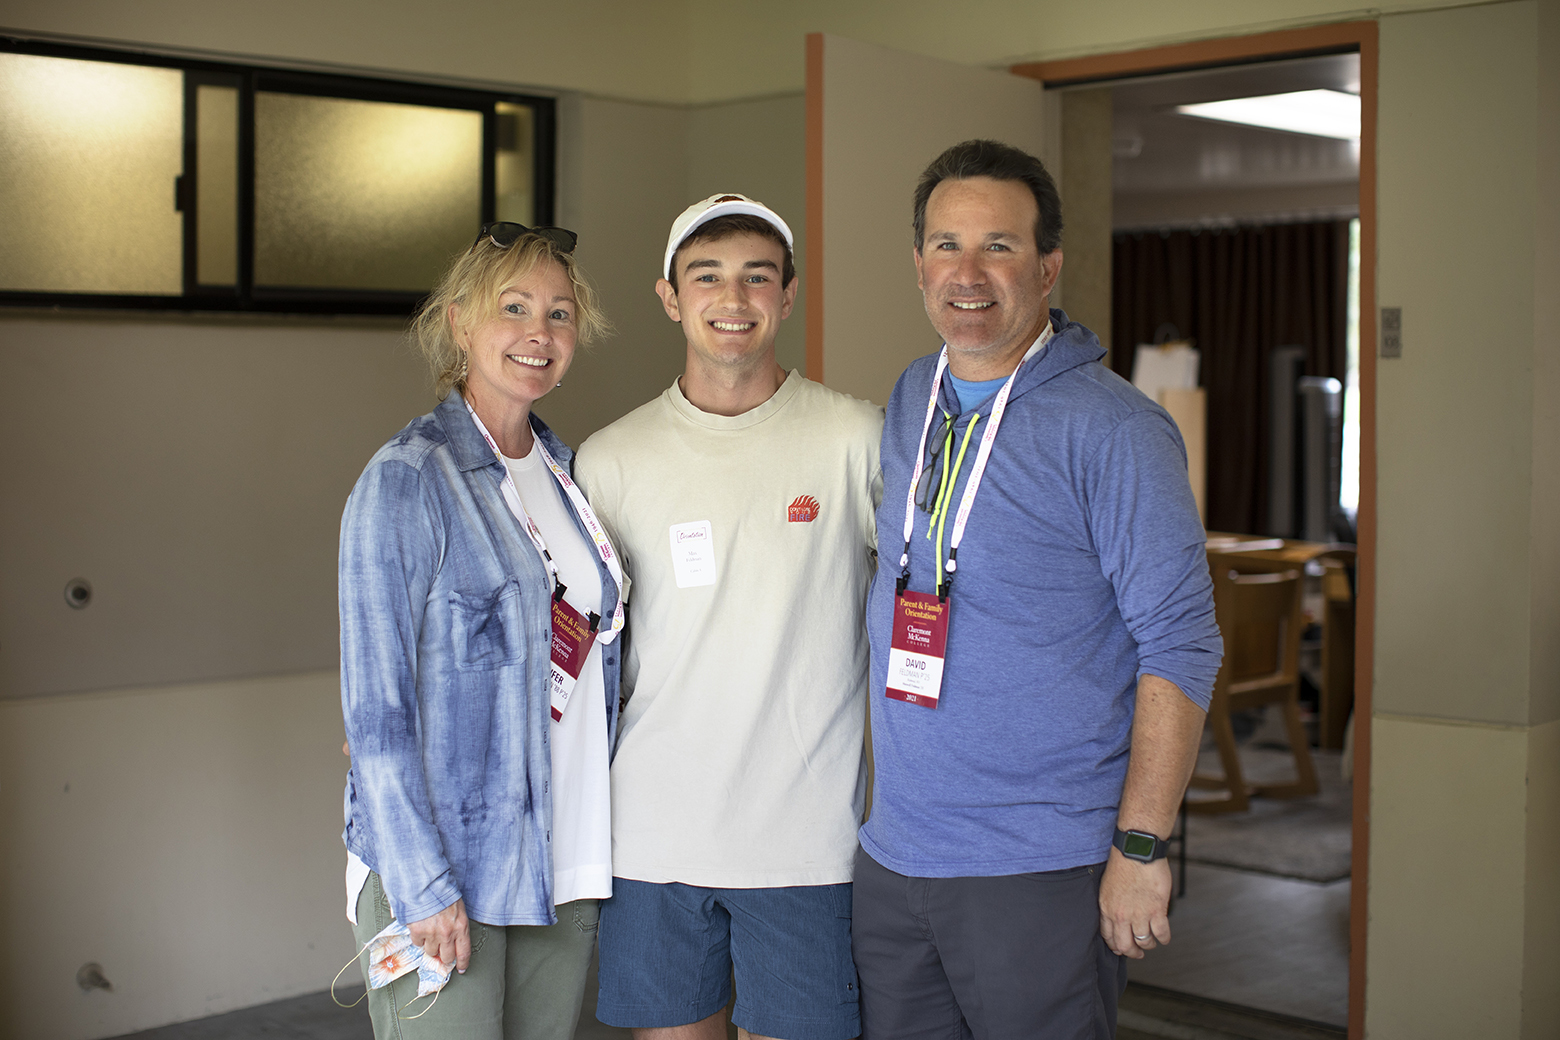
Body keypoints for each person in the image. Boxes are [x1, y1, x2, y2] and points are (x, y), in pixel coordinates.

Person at [851, 139, 1223, 1039]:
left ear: (1048, 265)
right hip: (895, 855)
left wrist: (1142, 845)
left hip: (1041, 865)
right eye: (946, 245)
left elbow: (1181, 643)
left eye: (1000, 246)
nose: (968, 273)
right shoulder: (913, 396)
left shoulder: (1116, 430)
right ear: (917, 265)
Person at [574, 194, 882, 1040]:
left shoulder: (854, 437)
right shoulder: (610, 460)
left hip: (806, 844)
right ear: (670, 297)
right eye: (706, 277)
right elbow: (568, 648)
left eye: (757, 277)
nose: (733, 298)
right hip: (650, 839)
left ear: (787, 295)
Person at [339, 222, 624, 1040]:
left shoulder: (570, 476)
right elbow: (376, 716)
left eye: (561, 314)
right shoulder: (406, 480)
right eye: (515, 308)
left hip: (562, 861)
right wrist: (422, 885)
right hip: (444, 868)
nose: (540, 333)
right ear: (460, 321)